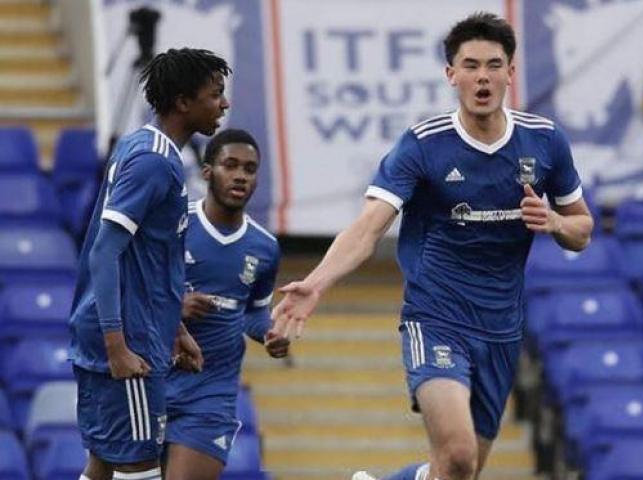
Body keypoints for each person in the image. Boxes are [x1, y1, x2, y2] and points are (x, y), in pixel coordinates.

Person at [271, 12, 594, 480]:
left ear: (510, 72)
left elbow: (583, 229)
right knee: (458, 454)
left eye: (493, 64)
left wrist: (556, 221)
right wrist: (317, 284)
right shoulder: (423, 145)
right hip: (437, 318)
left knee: (458, 472)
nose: (482, 76)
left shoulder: (544, 141)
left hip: (502, 329)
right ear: (451, 74)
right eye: (469, 65)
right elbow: (367, 229)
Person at [68, 48, 231, 480]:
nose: (224, 104)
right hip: (129, 337)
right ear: (183, 102)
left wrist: (174, 328)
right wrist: (117, 346)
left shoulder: (142, 145)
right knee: (139, 465)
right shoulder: (154, 161)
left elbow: (151, 259)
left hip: (139, 329)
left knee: (103, 461)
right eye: (215, 95)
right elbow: (105, 252)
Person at [163, 129, 289, 479]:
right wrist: (174, 308)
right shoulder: (172, 226)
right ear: (207, 173)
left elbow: (252, 313)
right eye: (230, 165)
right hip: (151, 382)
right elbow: (129, 294)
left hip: (210, 395)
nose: (240, 175)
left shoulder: (264, 247)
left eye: (249, 169)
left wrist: (271, 334)